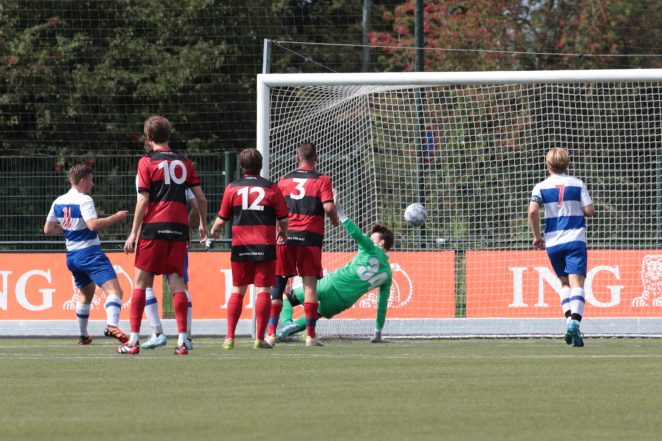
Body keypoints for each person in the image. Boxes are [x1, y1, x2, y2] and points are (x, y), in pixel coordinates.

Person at [121, 115, 208, 355]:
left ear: (148, 137)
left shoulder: (146, 162)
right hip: (178, 229)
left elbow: (143, 199)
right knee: (177, 283)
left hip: (153, 228)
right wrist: (203, 223)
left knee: (140, 283)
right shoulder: (185, 162)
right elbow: (200, 198)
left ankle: (133, 341)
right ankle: (182, 341)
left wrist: (133, 232)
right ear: (169, 135)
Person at [273, 197, 393, 344]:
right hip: (344, 301)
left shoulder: (370, 248)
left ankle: (286, 322)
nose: (369, 239)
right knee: (314, 315)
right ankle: (282, 333)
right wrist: (378, 333)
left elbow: (355, 232)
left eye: (372, 238)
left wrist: (340, 211)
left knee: (286, 297)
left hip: (332, 284)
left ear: (381, 242)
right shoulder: (387, 274)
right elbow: (382, 304)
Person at [209, 148, 288, 350]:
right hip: (265, 245)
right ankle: (259, 338)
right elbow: (283, 218)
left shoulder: (232, 188)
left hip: (241, 245)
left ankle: (229, 338)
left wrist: (214, 230)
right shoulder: (272, 188)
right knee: (263, 290)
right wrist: (283, 232)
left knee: (238, 289)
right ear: (260, 166)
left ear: (241, 166)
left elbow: (222, 219)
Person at [44, 163, 130, 345]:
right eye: (91, 180)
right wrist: (116, 217)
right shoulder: (84, 200)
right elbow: (93, 225)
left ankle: (83, 336)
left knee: (86, 294)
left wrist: (70, 229)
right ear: (82, 181)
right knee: (115, 291)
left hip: (72, 257)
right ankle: (112, 325)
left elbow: (48, 229)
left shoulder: (58, 201)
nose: (92, 183)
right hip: (90, 254)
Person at [267, 142, 339, 347]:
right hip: (310, 238)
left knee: (279, 286)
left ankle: (270, 334)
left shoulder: (284, 180)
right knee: (309, 286)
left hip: (286, 237)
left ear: (297, 158)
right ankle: (310, 336)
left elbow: (276, 209)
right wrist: (334, 220)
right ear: (316, 158)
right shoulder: (323, 179)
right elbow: (329, 207)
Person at [528, 147, 595, 347]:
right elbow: (589, 211)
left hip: (553, 242)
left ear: (547, 164)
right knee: (577, 285)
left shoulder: (540, 187)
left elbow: (532, 211)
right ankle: (575, 322)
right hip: (574, 240)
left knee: (565, 284)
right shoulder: (578, 184)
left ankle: (569, 323)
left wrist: (537, 237)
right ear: (567, 163)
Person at [140, 187, 198, 351]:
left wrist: (135, 232)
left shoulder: (146, 173)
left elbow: (143, 203)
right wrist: (185, 230)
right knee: (180, 284)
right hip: (176, 234)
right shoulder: (182, 175)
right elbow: (197, 205)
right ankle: (185, 337)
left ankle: (157, 333)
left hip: (152, 234)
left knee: (145, 283)